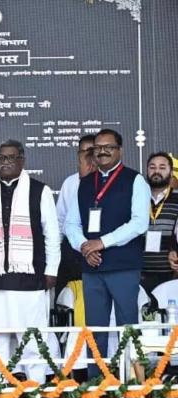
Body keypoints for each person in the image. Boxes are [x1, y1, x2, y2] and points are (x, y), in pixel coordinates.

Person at [0, 139, 60, 383]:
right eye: (1, 158)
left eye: (10, 158)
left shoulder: (40, 190)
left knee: (30, 337)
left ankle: (34, 386)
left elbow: (52, 234)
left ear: (21, 160)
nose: (4, 163)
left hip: (28, 277)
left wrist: (51, 270)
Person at [65, 129, 149, 377]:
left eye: (108, 147)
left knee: (127, 328)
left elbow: (139, 223)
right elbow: (71, 224)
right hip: (92, 267)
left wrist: (101, 242)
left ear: (120, 150)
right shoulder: (84, 183)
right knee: (95, 330)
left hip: (123, 267)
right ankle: (96, 385)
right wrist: (84, 246)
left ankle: (132, 384)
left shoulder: (135, 180)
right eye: (98, 147)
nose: (102, 151)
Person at [55, 135, 97, 297]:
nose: (88, 156)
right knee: (68, 297)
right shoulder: (70, 182)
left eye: (91, 151)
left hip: (99, 248)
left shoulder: (111, 183)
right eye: (84, 152)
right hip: (72, 251)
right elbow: (61, 220)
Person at [141, 152, 178, 292]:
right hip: (139, 274)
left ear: (171, 172)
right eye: (152, 167)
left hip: (170, 275)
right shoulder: (137, 198)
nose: (156, 171)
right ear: (147, 171)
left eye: (162, 167)